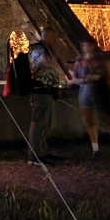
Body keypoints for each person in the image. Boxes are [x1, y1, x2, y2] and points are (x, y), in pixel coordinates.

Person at [72, 40, 110, 158]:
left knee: (109, 122)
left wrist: (88, 79)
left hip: (99, 92)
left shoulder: (100, 61)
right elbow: (75, 76)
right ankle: (95, 150)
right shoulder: (80, 60)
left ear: (92, 47)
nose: (86, 48)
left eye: (88, 45)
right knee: (90, 122)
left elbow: (102, 76)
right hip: (85, 93)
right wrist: (80, 80)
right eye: (84, 45)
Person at [27, 27, 62, 163]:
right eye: (54, 37)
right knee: (38, 123)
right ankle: (34, 156)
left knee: (45, 124)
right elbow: (36, 67)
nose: (56, 41)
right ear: (46, 36)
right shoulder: (38, 49)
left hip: (47, 90)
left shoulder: (46, 49)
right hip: (40, 91)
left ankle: (42, 152)